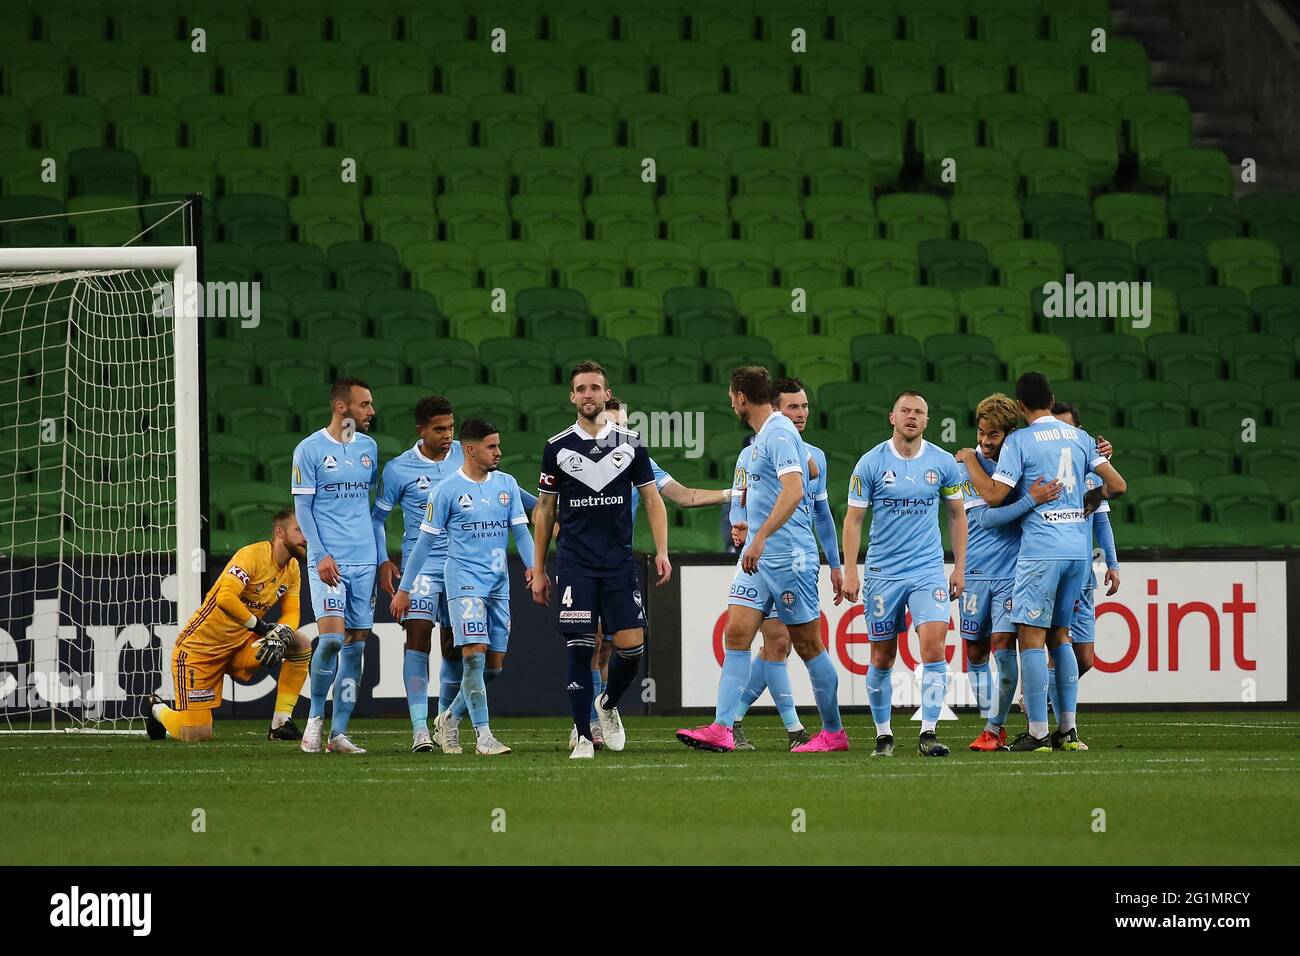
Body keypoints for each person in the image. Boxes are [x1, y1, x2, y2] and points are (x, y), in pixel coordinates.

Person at [676, 366, 846, 754]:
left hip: (787, 555)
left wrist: (762, 537)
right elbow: (781, 481)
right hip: (758, 558)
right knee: (736, 633)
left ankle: (833, 733)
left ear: (739, 397)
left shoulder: (779, 432)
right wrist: (750, 534)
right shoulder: (764, 439)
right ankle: (723, 727)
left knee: (806, 645)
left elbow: (793, 489)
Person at [957, 372, 1125, 752]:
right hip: (1076, 553)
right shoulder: (1080, 437)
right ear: (1051, 400)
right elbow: (1117, 486)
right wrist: (1089, 500)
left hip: (1041, 550)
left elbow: (996, 497)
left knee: (1031, 642)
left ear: (1020, 407)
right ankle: (1069, 731)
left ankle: (1036, 732)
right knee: (1061, 638)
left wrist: (968, 460)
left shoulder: (1019, 440)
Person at [531, 361, 671, 759]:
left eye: (595, 387)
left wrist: (661, 550)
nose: (589, 394)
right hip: (575, 563)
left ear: (606, 394)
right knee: (579, 647)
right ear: (572, 397)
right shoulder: (557, 446)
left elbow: (652, 499)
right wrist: (540, 569)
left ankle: (606, 705)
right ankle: (581, 735)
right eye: (581, 388)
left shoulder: (631, 442)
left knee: (631, 647)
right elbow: (545, 509)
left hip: (617, 563)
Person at [391, 420, 535, 756]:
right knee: (474, 659)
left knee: (494, 667)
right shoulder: (445, 491)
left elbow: (522, 533)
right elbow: (424, 543)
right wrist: (405, 587)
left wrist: (534, 567)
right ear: (470, 450)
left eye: (498, 446)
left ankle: (450, 718)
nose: (499, 452)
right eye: (491, 447)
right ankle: (484, 735)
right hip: (464, 581)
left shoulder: (507, 485)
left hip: (498, 583)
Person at [841, 390, 968, 757]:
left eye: (919, 412)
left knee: (933, 648)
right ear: (892, 417)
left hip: (927, 569)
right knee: (882, 657)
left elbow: (957, 516)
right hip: (884, 572)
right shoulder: (870, 463)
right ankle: (884, 734)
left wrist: (958, 567)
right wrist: (851, 570)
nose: (912, 416)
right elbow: (853, 520)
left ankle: (928, 731)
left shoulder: (943, 463)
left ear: (927, 421)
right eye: (905, 411)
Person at [730, 377, 841, 751]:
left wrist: (837, 565)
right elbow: (738, 503)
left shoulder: (813, 455)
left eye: (805, 406)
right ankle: (741, 723)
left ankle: (806, 730)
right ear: (777, 408)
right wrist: (742, 529)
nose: (801, 414)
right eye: (793, 407)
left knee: (784, 642)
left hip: (792, 556)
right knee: (756, 637)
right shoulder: (752, 452)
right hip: (763, 559)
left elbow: (822, 515)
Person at [145, 509, 311, 743]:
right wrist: (265, 629)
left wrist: (281, 632)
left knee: (299, 642)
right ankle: (157, 709)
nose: (306, 536)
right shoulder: (251, 556)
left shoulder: (292, 569)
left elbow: (292, 612)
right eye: (299, 530)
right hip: (199, 650)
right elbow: (225, 598)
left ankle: (280, 724)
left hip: (239, 645)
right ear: (279, 532)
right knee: (196, 734)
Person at [291, 378, 385, 755]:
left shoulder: (368, 448)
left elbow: (367, 508)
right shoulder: (309, 450)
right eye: (365, 404)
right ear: (342, 408)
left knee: (355, 648)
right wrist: (320, 555)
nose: (371, 411)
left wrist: (380, 560)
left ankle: (339, 733)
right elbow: (303, 509)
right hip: (328, 561)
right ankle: (314, 721)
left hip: (364, 561)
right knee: (330, 640)